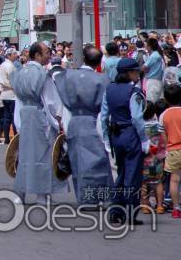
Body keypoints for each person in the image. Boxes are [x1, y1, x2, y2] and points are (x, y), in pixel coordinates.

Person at [52, 46, 112, 206]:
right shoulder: (103, 79)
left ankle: (84, 199)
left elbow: (58, 83)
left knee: (78, 162)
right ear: (99, 62)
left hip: (74, 121)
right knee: (98, 162)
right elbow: (105, 107)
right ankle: (100, 197)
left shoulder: (69, 76)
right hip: (94, 121)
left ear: (84, 58)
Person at [10, 42, 64, 201]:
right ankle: (42, 195)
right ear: (37, 55)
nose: (50, 55)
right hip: (40, 117)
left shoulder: (19, 73)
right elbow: (51, 102)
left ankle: (21, 194)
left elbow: (18, 100)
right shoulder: (42, 75)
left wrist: (18, 122)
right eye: (47, 52)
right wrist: (57, 121)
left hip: (25, 116)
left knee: (25, 155)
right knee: (43, 156)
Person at [100, 57, 147, 223]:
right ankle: (130, 213)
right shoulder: (133, 92)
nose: (137, 74)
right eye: (135, 71)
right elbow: (136, 118)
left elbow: (104, 117)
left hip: (116, 135)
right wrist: (144, 140)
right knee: (132, 176)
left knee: (120, 174)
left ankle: (116, 211)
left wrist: (106, 138)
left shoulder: (109, 89)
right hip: (131, 134)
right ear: (129, 73)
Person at [159, 84, 181, 219]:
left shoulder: (164, 115)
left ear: (166, 99)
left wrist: (167, 147)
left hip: (173, 150)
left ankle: (176, 208)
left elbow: (163, 135)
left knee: (174, 180)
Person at [141, 101, 167, 214]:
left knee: (144, 183)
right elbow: (163, 142)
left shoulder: (140, 127)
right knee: (158, 182)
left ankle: (145, 205)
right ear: (153, 113)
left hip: (144, 160)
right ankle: (160, 206)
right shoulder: (158, 126)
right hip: (157, 159)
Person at [0, 48, 18, 144]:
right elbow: (12, 81)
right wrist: (15, 87)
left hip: (4, 94)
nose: (16, 55)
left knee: (6, 117)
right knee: (13, 117)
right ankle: (15, 137)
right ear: (9, 55)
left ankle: (6, 138)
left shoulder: (3, 65)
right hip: (12, 95)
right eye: (14, 54)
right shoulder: (10, 66)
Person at [143, 36, 165, 104]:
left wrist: (146, 70)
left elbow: (144, 67)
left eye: (146, 45)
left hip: (153, 82)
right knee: (158, 103)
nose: (146, 47)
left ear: (149, 46)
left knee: (151, 103)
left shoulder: (154, 55)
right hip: (157, 81)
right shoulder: (156, 54)